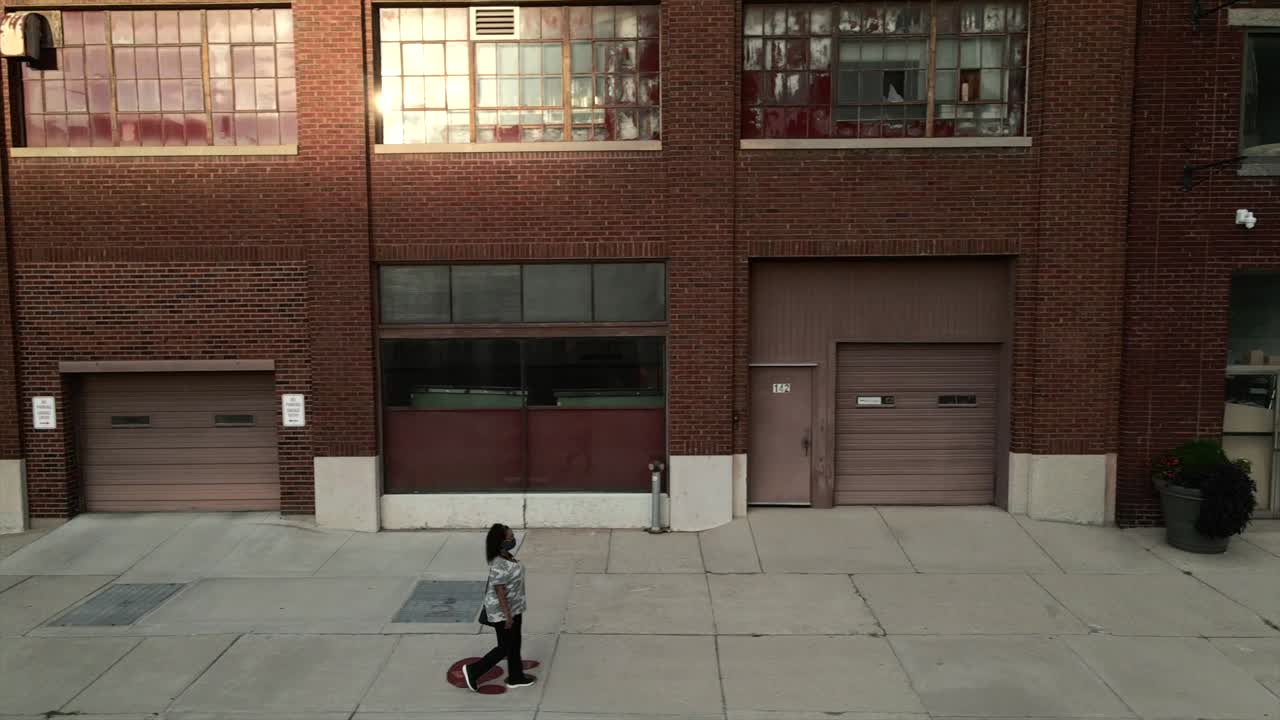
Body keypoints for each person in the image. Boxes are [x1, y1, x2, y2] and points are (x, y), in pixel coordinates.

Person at [462, 523, 535, 691]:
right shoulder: (499, 564)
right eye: (510, 538)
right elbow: (499, 591)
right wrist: (508, 616)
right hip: (503, 612)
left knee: (514, 644)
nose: (513, 539)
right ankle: (473, 671)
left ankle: (516, 677)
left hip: (515, 608)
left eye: (512, 536)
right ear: (501, 541)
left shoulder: (507, 556)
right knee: (505, 647)